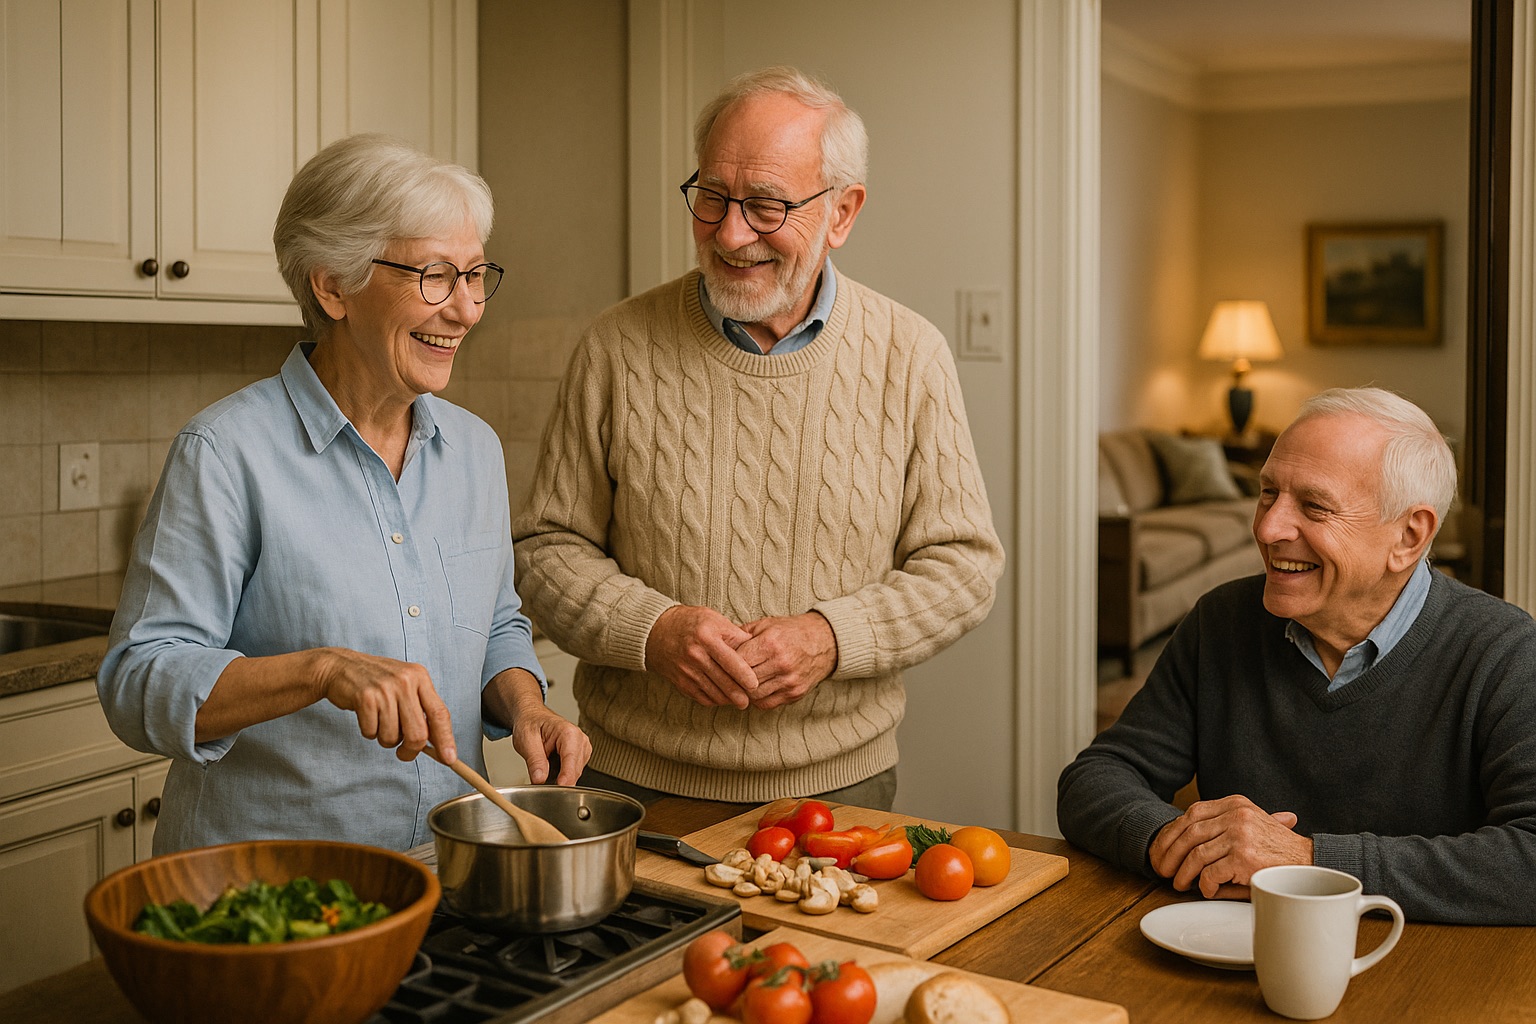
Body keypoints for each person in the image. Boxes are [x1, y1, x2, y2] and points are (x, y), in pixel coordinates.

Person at [511, 66, 1004, 810]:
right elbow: (545, 551)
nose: (731, 234)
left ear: (842, 212)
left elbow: (964, 567)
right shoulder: (615, 348)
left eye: (767, 206)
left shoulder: (911, 356)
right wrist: (654, 629)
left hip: (839, 790)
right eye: (712, 197)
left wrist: (831, 638)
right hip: (636, 783)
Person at [98, 133, 591, 854]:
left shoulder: (475, 451)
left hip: (446, 870)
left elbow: (493, 625)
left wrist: (525, 707)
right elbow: (138, 683)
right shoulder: (225, 453)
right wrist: (322, 671)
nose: (466, 309)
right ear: (333, 286)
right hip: (273, 885)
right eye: (435, 276)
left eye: (475, 275)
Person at [1058, 386, 1536, 925]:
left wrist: (1307, 863)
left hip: (1428, 962)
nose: (1268, 529)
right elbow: (1097, 777)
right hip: (1235, 949)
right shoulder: (1221, 621)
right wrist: (1180, 841)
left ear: (1408, 535)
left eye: (1314, 506)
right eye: (1268, 493)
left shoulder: (1505, 651)